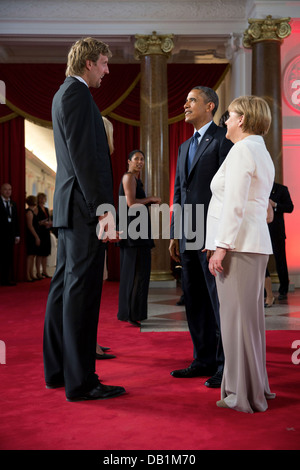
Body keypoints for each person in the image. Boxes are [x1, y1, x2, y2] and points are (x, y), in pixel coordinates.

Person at [43, 37, 125, 401]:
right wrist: (103, 210)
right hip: (82, 211)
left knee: (63, 291)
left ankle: (59, 372)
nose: (107, 71)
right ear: (89, 62)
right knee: (81, 294)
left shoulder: (65, 94)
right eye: (105, 63)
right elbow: (84, 160)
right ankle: (82, 383)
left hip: (71, 208)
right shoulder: (76, 95)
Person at [206, 95, 276, 413]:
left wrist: (220, 247)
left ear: (243, 119)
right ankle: (253, 387)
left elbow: (234, 203)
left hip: (239, 246)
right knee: (249, 321)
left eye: (229, 115)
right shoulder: (259, 150)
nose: (226, 121)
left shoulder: (242, 150)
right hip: (253, 243)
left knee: (236, 321)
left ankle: (240, 393)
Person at [169, 86, 233, 388]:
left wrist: (221, 236)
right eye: (186, 100)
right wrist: (174, 233)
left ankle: (224, 366)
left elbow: (227, 190)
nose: (185, 104)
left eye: (191, 100)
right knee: (194, 298)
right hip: (188, 232)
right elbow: (179, 192)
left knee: (217, 300)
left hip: (212, 232)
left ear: (210, 106)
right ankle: (202, 359)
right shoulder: (183, 147)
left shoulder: (223, 140)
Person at [117, 150, 161, 327]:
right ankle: (130, 313)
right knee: (134, 273)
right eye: (136, 159)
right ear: (129, 161)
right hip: (132, 234)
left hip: (138, 231)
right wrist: (150, 198)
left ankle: (135, 313)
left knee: (141, 273)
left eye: (142, 159)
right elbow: (131, 203)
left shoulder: (135, 179)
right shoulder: (128, 177)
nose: (140, 162)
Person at [268, 182, 294, 300]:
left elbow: (290, 207)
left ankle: (283, 289)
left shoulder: (281, 189)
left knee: (280, 260)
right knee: (262, 262)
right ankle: (265, 290)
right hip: (261, 231)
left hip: (277, 232)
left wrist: (275, 205)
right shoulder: (259, 188)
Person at [0, 183, 20, 286]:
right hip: (0, 236)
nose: (8, 191)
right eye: (5, 189)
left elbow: (16, 220)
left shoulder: (13, 203)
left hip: (10, 236)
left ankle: (6, 280)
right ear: (1, 190)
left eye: (10, 189)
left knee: (8, 258)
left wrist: (17, 235)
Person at [36, 192, 52, 279]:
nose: (42, 200)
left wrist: (49, 223)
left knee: (45, 253)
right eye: (40, 198)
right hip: (40, 232)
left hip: (46, 232)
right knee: (39, 253)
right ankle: (38, 272)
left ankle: (44, 271)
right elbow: (35, 222)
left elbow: (48, 219)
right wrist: (42, 223)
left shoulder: (46, 209)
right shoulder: (36, 208)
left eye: (43, 198)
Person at [25, 195, 40, 282]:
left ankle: (31, 273)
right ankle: (28, 275)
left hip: (33, 235)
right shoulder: (29, 212)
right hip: (31, 236)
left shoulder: (32, 212)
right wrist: (36, 237)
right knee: (30, 256)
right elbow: (30, 226)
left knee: (33, 256)